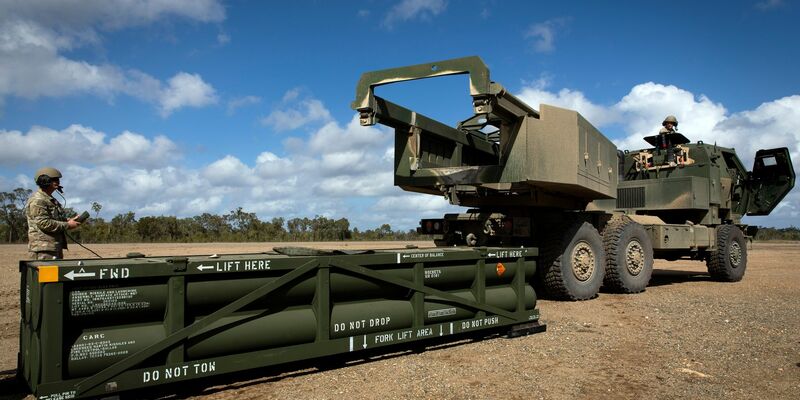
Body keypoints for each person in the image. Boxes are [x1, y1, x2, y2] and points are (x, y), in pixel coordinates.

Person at [25, 167, 81, 260]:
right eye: (54, 179)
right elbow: (44, 223)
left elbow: (54, 219)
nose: (58, 182)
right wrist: (68, 225)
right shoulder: (38, 200)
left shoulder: (49, 199)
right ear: (44, 180)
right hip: (43, 250)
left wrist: (69, 220)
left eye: (58, 179)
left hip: (53, 247)